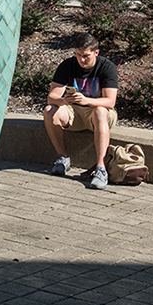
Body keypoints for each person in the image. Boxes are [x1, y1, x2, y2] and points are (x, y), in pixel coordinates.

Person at [43, 32, 119, 190]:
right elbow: (52, 97)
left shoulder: (107, 67)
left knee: (99, 110)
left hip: (99, 114)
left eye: (86, 56)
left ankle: (101, 169)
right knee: (49, 110)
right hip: (74, 112)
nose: (82, 60)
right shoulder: (68, 65)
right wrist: (63, 101)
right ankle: (62, 158)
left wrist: (87, 101)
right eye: (78, 55)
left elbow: (110, 102)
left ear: (96, 53)